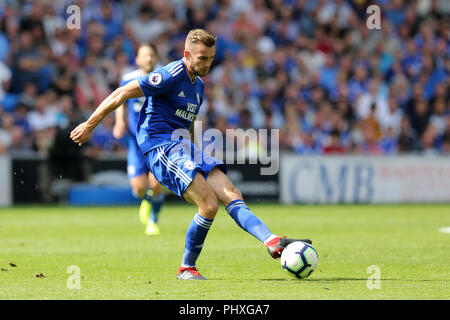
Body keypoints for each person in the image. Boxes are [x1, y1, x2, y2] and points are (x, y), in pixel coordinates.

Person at [70, 29, 311, 280]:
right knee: (208, 205)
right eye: (203, 58)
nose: (208, 64)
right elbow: (121, 93)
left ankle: (271, 241)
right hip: (160, 146)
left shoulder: (199, 87)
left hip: (185, 146)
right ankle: (187, 268)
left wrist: (199, 154)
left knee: (231, 193)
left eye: (211, 59)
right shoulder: (169, 75)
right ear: (187, 54)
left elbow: (188, 123)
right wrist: (90, 125)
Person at [113, 43, 165, 236]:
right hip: (135, 141)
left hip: (158, 140)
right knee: (139, 188)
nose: (148, 59)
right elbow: (120, 101)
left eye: (151, 55)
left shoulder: (165, 77)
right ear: (137, 59)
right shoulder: (129, 78)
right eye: (144, 55)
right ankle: (145, 200)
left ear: (156, 57)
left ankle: (154, 220)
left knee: (156, 184)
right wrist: (119, 122)